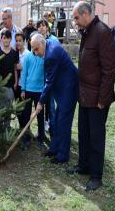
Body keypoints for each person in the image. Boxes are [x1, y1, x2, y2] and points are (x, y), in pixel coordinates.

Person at [67, 1, 115, 192]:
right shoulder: (87, 32)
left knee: (96, 137)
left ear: (86, 14)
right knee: (84, 133)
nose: (75, 22)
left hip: (97, 98)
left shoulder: (102, 32)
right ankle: (83, 165)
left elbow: (109, 70)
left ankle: (96, 176)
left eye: (77, 18)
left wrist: (102, 99)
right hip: (85, 95)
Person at [32, 34, 78, 165]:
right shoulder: (48, 44)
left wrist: (40, 102)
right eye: (33, 50)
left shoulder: (51, 54)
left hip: (69, 88)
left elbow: (49, 81)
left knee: (63, 122)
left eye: (36, 49)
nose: (35, 53)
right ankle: (54, 148)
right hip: (63, 88)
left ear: (42, 44)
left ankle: (63, 155)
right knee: (57, 120)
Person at [37, 19, 59, 138]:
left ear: (47, 28)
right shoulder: (36, 41)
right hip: (40, 79)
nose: (41, 28)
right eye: (39, 26)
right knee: (42, 105)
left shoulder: (53, 40)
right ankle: (44, 127)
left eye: (43, 26)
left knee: (51, 107)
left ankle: (53, 130)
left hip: (51, 79)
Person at [0, 30, 19, 127]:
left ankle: (7, 127)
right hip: (0, 85)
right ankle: (0, 127)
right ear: (1, 40)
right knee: (1, 107)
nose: (6, 40)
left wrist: (16, 82)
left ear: (10, 39)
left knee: (8, 107)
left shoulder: (14, 53)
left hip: (10, 85)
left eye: (8, 38)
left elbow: (15, 69)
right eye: (4, 38)